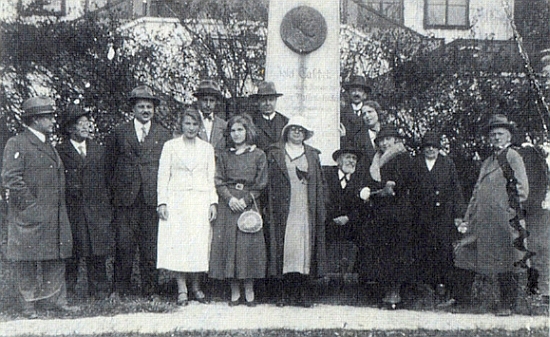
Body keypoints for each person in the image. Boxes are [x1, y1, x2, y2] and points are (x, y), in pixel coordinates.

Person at [1, 96, 76, 318]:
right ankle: (29, 305)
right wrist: (31, 207)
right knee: (27, 260)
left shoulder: (47, 144)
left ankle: (55, 301)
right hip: (31, 215)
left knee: (55, 257)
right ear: (34, 120)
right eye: (48, 117)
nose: (53, 121)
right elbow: (12, 179)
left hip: (54, 215)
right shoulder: (17, 143)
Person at [454, 114, 529, 316]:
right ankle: (462, 301)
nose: (496, 138)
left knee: (507, 260)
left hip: (504, 221)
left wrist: (507, 212)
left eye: (500, 134)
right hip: (481, 220)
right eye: (493, 134)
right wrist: (468, 217)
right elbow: (477, 192)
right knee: (464, 254)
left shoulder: (513, 156)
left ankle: (507, 305)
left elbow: (522, 189)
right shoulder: (488, 161)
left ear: (509, 137)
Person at [105, 85, 172, 299]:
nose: (145, 110)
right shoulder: (119, 132)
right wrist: (115, 194)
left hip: (151, 199)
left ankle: (151, 290)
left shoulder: (163, 133)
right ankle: (119, 289)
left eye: (149, 107)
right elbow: (109, 166)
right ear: (133, 109)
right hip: (126, 200)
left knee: (150, 247)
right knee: (124, 245)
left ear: (154, 109)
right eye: (141, 106)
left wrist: (163, 199)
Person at [156, 107, 218, 305]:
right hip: (177, 201)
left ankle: (196, 287)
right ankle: (181, 288)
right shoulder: (170, 146)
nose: (191, 128)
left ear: (200, 126)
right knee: (179, 244)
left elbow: (211, 178)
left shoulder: (207, 148)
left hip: (199, 201)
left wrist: (212, 202)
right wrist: (162, 201)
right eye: (187, 124)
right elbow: (163, 175)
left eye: (195, 124)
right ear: (181, 125)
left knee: (198, 244)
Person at [266, 116, 326, 307]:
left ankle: (302, 293)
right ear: (287, 131)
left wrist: (321, 206)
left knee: (304, 250)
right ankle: (283, 293)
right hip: (283, 208)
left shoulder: (312, 155)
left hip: (305, 207)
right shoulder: (275, 153)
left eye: (301, 130)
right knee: (286, 249)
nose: (297, 132)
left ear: (305, 134)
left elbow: (320, 183)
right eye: (294, 129)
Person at [209, 114, 268, 307]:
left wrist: (246, 199)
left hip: (248, 203)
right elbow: (218, 180)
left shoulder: (258, 154)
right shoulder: (224, 155)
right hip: (229, 205)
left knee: (247, 247)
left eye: (240, 130)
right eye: (233, 130)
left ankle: (249, 289)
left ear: (248, 131)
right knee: (230, 246)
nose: (236, 134)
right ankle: (234, 290)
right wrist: (230, 199)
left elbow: (261, 182)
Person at [410, 131, 474, 308]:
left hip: (442, 217)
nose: (430, 149)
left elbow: (456, 191)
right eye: (427, 146)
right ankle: (423, 289)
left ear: (439, 148)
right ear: (422, 149)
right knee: (422, 252)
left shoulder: (447, 164)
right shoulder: (415, 164)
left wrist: (458, 215)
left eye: (434, 146)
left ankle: (443, 289)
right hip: (420, 217)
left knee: (443, 253)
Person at [57, 105, 114, 299]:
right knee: (72, 253)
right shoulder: (60, 151)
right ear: (69, 128)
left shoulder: (99, 150)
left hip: (97, 210)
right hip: (72, 211)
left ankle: (99, 291)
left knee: (97, 251)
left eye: (86, 122)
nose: (84, 126)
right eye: (79, 123)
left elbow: (108, 179)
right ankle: (69, 291)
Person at [355, 126, 414, 309]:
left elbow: (403, 182)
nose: (384, 143)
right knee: (382, 252)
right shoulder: (375, 160)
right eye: (381, 140)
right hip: (379, 212)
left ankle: (394, 293)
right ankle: (384, 292)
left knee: (397, 252)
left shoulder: (403, 157)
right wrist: (368, 191)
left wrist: (389, 188)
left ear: (395, 140)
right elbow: (369, 182)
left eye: (388, 139)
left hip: (398, 212)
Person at [324, 148, 367, 276]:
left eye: (354, 159)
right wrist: (333, 217)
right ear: (338, 160)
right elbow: (322, 199)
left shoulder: (360, 179)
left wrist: (348, 217)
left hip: (351, 224)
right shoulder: (326, 175)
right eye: (348, 157)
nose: (351, 161)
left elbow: (362, 207)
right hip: (329, 221)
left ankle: (355, 278)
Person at [343, 100, 382, 177]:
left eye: (370, 112)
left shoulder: (389, 132)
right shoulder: (359, 138)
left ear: (377, 112)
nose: (367, 116)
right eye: (364, 114)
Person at [250, 81, 289, 151]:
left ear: (276, 101)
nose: (267, 103)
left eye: (271, 100)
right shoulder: (251, 122)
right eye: (263, 100)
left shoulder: (285, 121)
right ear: (258, 101)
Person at [194, 79, 227, 151]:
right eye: (205, 100)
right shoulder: (189, 123)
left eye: (212, 101)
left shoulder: (223, 125)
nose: (208, 105)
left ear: (216, 102)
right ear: (198, 101)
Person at [340, 76, 372, 142]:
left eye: (360, 91)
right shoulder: (342, 113)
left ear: (364, 95)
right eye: (353, 91)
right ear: (349, 94)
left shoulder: (371, 112)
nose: (356, 93)